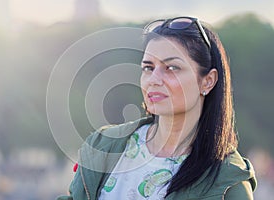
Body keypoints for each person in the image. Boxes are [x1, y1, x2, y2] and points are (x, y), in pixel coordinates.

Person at [57, 16, 256, 200]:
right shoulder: (104, 145)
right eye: (148, 68)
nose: (154, 80)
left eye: (172, 68)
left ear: (208, 81)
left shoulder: (228, 181)